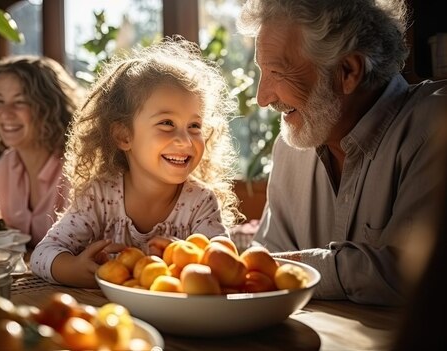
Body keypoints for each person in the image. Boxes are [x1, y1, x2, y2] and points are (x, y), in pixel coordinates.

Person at [235, 0, 447, 306]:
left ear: (348, 71)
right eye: (261, 71)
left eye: (277, 72)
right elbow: (266, 264)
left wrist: (285, 269)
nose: (263, 97)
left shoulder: (434, 127)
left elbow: (411, 274)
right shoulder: (291, 144)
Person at [30, 38, 241, 288]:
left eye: (194, 126)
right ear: (124, 136)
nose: (185, 141)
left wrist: (179, 258)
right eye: (167, 123)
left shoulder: (200, 202)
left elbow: (223, 266)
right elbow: (41, 255)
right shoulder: (100, 196)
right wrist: (72, 269)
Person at [0, 55, 83, 248]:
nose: (6, 113)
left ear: (48, 107)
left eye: (20, 101)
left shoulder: (77, 169)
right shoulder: (9, 164)